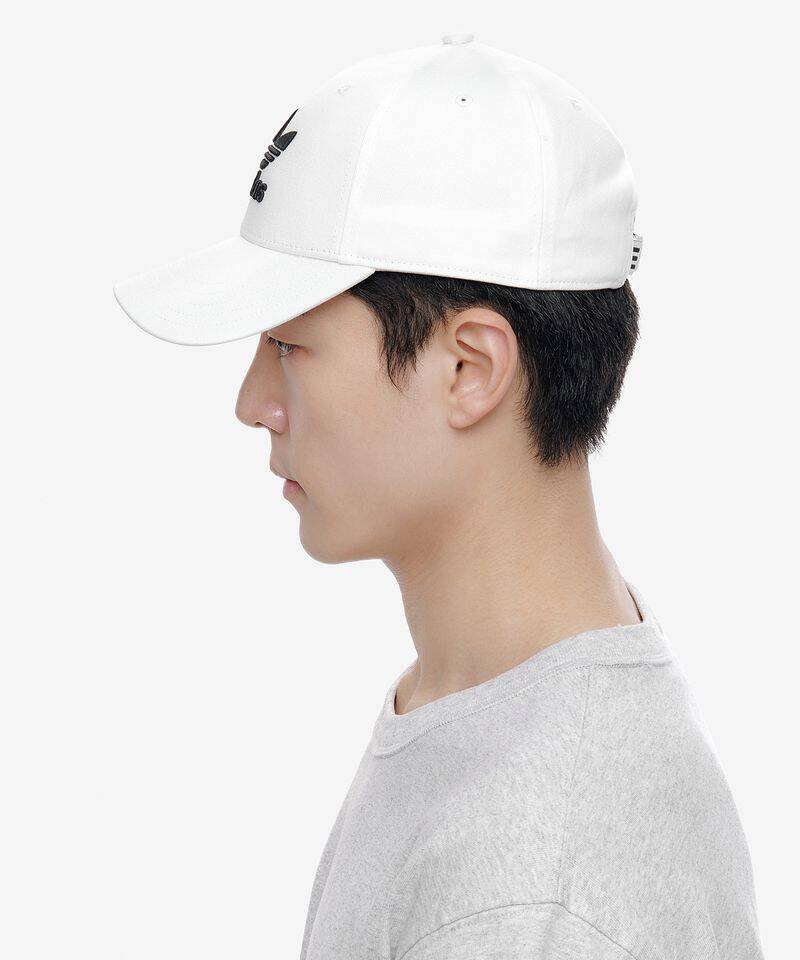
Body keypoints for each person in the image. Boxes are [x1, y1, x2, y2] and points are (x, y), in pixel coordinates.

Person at [114, 34, 764, 960]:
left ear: (469, 369)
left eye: (289, 346)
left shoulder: (537, 892)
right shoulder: (483, 707)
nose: (252, 403)